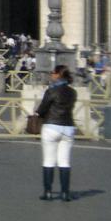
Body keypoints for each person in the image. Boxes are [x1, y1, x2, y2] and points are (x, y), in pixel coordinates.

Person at [30, 66, 79, 201]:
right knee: (64, 161)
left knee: (49, 160)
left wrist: (38, 113)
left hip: (51, 126)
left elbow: (42, 109)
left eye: (52, 73)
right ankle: (65, 193)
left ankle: (48, 192)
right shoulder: (73, 92)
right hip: (68, 127)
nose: (51, 75)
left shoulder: (51, 91)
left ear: (58, 75)